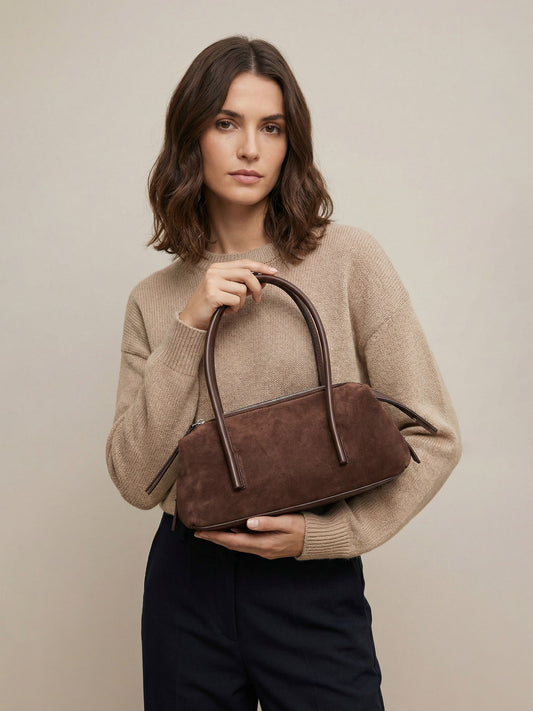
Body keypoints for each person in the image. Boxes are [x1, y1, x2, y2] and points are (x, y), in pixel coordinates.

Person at [105, 35, 462, 711]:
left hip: (310, 586)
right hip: (187, 587)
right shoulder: (155, 300)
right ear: (191, 137)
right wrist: (189, 327)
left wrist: (325, 537)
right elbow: (135, 479)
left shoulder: (348, 259)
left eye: (270, 127)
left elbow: (433, 435)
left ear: (289, 143)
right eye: (225, 123)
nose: (249, 148)